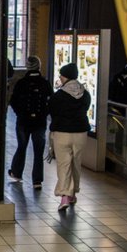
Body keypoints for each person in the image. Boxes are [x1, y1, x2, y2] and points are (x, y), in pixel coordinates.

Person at [49, 62, 91, 212]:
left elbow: (52, 111)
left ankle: (65, 196)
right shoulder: (85, 93)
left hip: (62, 133)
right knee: (76, 163)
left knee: (64, 164)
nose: (60, 77)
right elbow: (86, 108)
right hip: (81, 133)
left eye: (61, 75)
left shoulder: (58, 95)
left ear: (65, 76)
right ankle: (73, 193)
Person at [8, 56, 52, 189]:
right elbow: (51, 101)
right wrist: (44, 114)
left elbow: (13, 101)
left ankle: (16, 172)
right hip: (39, 122)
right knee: (38, 151)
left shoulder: (21, 83)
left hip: (23, 121)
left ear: (27, 67)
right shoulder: (45, 83)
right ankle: (37, 180)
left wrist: (19, 113)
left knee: (22, 146)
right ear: (39, 66)